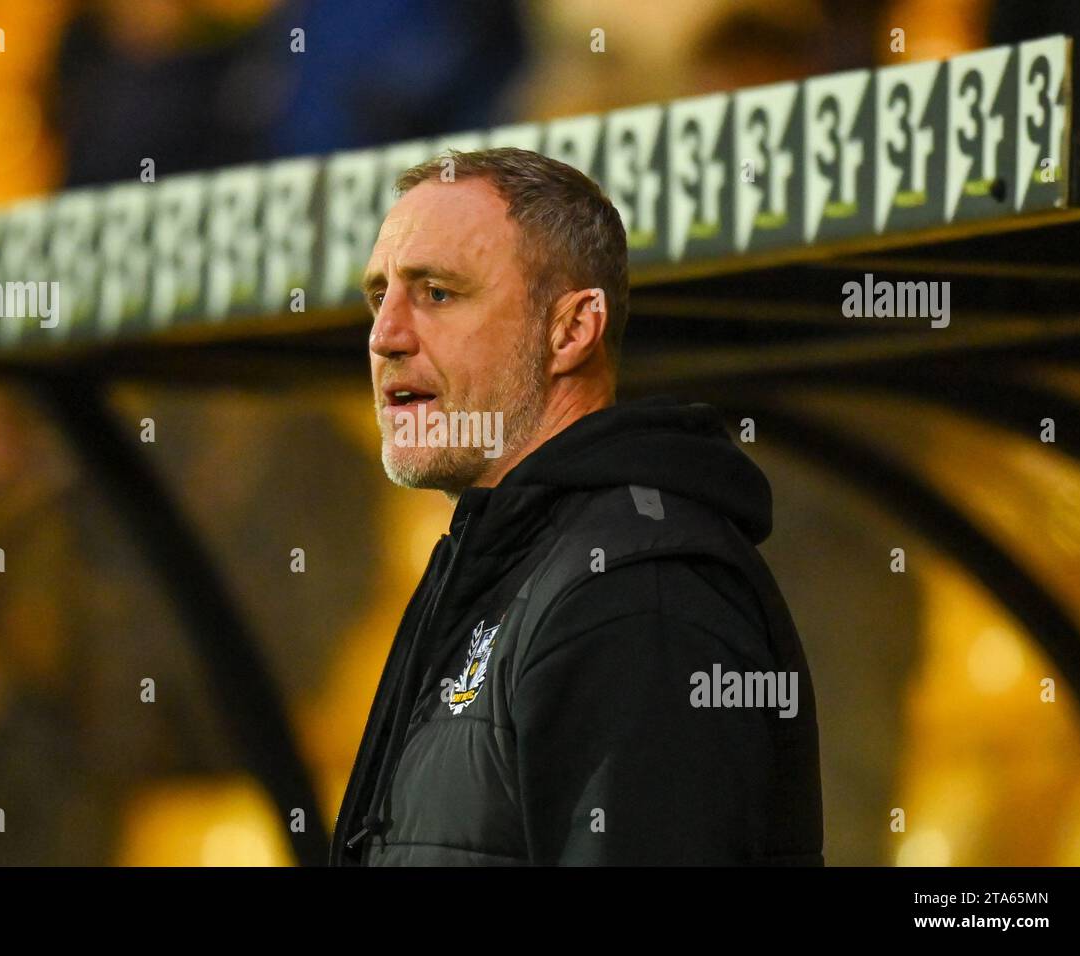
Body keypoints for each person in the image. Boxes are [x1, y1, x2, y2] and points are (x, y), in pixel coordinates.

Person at [330, 147, 823, 866]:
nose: (385, 337)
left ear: (571, 330)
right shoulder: (503, 564)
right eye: (381, 297)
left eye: (436, 292)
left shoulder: (637, 592)